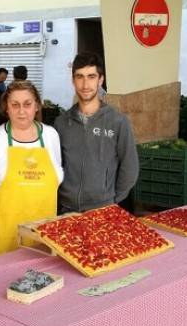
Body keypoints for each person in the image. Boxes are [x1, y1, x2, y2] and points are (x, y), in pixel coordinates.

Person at [0, 80, 63, 256]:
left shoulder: (51, 136)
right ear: (7, 108)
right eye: (15, 104)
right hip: (5, 235)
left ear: (36, 106)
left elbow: (57, 177)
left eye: (27, 104)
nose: (21, 111)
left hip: (43, 235)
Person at [54, 52, 138, 213]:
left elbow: (130, 167)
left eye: (91, 76)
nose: (85, 84)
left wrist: (112, 200)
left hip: (103, 210)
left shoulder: (118, 122)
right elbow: (55, 166)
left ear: (100, 80)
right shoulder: (61, 123)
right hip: (66, 209)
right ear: (73, 80)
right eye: (80, 77)